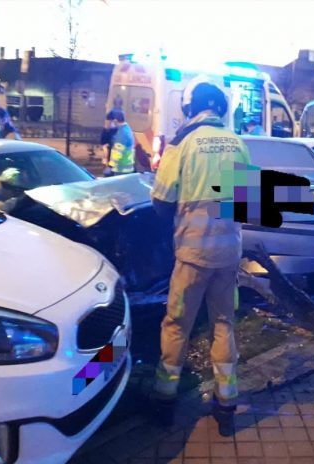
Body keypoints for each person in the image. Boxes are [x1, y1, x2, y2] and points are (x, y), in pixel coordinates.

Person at [151, 79, 251, 436]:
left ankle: (164, 400)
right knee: (223, 324)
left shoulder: (183, 143)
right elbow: (246, 202)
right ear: (221, 109)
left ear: (191, 108)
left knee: (177, 325)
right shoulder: (237, 143)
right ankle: (226, 405)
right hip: (227, 255)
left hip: (192, 255)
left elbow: (161, 201)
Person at [101, 108, 135, 176]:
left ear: (115, 121)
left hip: (121, 169)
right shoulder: (126, 129)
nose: (110, 124)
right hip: (125, 168)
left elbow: (117, 153)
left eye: (110, 122)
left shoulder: (122, 134)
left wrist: (110, 167)